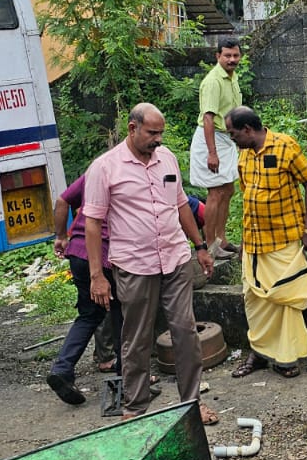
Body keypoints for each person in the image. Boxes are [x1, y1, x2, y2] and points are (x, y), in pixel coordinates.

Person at [84, 104, 217, 423]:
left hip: (174, 258)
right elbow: (92, 223)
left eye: (161, 133)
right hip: (135, 265)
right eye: (151, 133)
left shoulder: (167, 159)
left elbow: (181, 204)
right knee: (137, 337)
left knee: (185, 331)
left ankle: (191, 403)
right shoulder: (105, 168)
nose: (158, 139)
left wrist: (199, 246)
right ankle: (134, 407)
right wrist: (96, 276)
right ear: (132, 129)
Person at [226, 105, 307, 379]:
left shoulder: (285, 146)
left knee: (284, 301)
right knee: (254, 301)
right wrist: (245, 242)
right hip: (254, 243)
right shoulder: (244, 155)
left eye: (233, 134)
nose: (232, 140)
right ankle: (257, 353)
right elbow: (248, 199)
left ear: (247, 130)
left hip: (284, 240)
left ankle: (286, 357)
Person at [45, 172, 123, 405]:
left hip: (78, 251)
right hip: (108, 253)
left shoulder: (97, 170)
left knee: (90, 314)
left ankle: (62, 368)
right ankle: (125, 377)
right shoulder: (130, 173)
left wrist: (61, 236)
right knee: (121, 311)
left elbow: (62, 201)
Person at [190, 38, 243, 261]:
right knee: (215, 193)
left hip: (226, 139)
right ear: (218, 56)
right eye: (227, 55)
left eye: (235, 55)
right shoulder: (212, 81)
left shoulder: (232, 77)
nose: (232, 60)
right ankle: (210, 244)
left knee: (228, 190)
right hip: (210, 139)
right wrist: (212, 153)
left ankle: (222, 239)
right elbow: (208, 118)